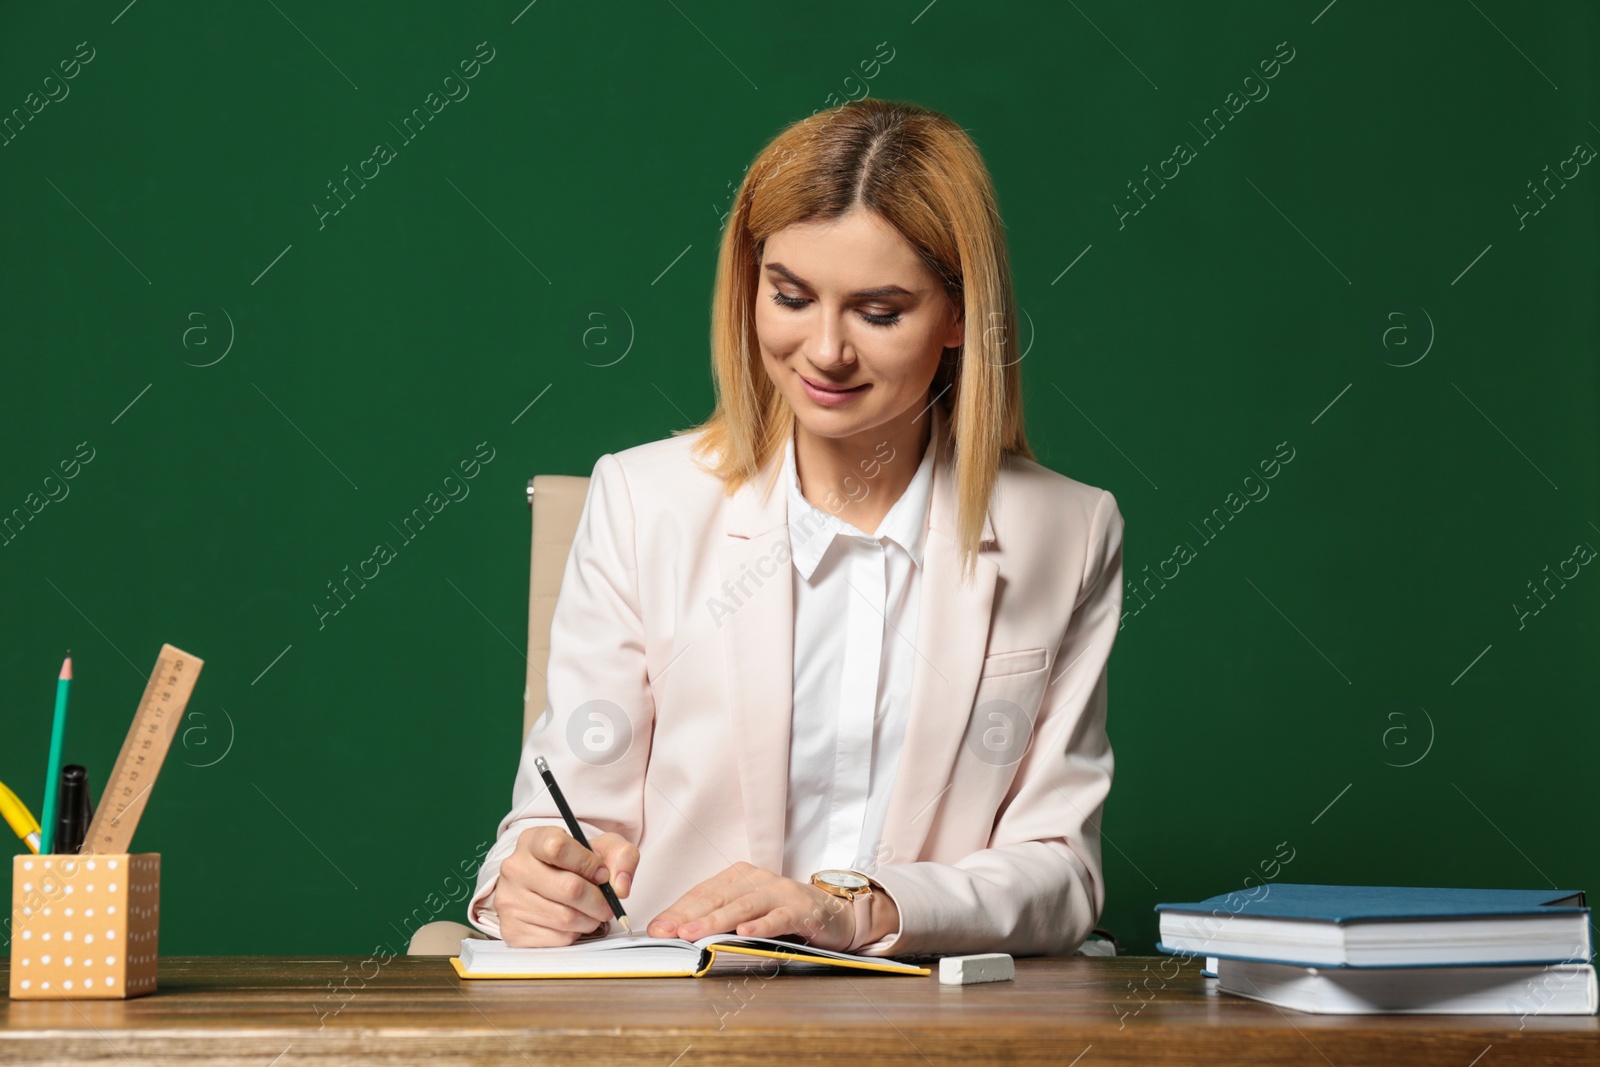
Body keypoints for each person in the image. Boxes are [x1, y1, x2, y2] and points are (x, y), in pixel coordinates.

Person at [466, 98, 1125, 958]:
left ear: (961, 317)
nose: (824, 351)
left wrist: (861, 910)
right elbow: (565, 818)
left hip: (929, 1031)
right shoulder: (639, 500)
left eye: (878, 312)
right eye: (790, 295)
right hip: (675, 1022)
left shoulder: (1069, 530)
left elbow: (1059, 868)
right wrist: (530, 885)